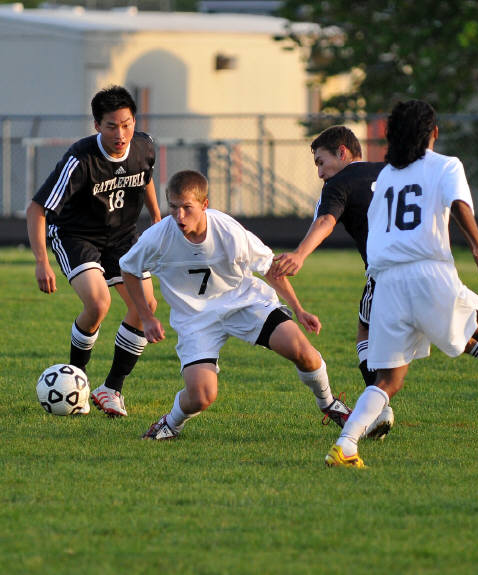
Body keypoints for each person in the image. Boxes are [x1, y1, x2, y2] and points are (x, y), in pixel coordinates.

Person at [273, 125, 478, 435]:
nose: (320, 172)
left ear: (342, 152)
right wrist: (477, 248)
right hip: (434, 274)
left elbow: (325, 220)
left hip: (389, 277)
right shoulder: (394, 171)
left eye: (321, 162)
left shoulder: (338, 184)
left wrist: (300, 254)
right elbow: (449, 205)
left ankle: (372, 420)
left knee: (366, 335)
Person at [325, 100, 478, 467]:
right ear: (433, 132)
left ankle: (345, 445)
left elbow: (376, 229)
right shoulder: (446, 165)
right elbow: (460, 204)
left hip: (386, 283)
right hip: (428, 275)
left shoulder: (386, 176)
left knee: (389, 380)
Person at [119, 170, 352, 440]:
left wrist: (298, 310)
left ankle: (329, 404)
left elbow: (269, 268)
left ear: (204, 205)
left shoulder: (228, 230)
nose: (179, 216)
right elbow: (128, 268)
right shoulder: (158, 236)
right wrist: (147, 317)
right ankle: (170, 423)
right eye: (173, 207)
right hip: (196, 319)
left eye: (187, 208)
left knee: (304, 352)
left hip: (244, 303)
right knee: (202, 395)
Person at [26, 85, 161, 417]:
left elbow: (144, 178)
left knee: (145, 306)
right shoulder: (81, 159)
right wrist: (42, 261)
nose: (121, 134)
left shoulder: (144, 146)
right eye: (112, 126)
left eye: (126, 124)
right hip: (76, 236)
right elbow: (37, 209)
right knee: (99, 303)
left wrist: (157, 218)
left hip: (123, 236)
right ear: (97, 125)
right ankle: (77, 382)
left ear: (135, 122)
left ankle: (111, 389)